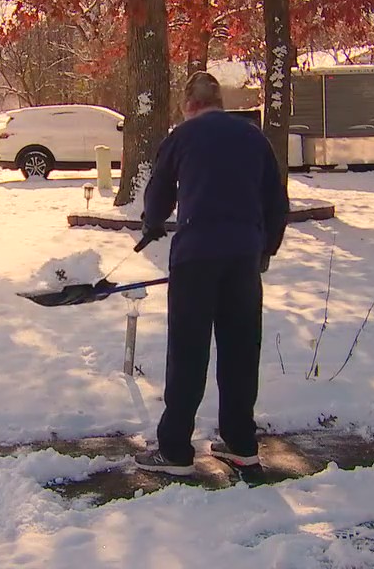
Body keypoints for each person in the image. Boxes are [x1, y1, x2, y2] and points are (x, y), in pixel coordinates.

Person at [133, 71, 290, 477]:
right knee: (240, 351)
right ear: (220, 101)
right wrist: (265, 249)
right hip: (242, 259)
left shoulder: (182, 137)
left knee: (188, 352)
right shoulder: (254, 138)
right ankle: (240, 444)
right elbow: (276, 199)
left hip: (195, 259)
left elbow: (159, 191)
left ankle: (175, 451)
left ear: (188, 105)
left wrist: (152, 223)